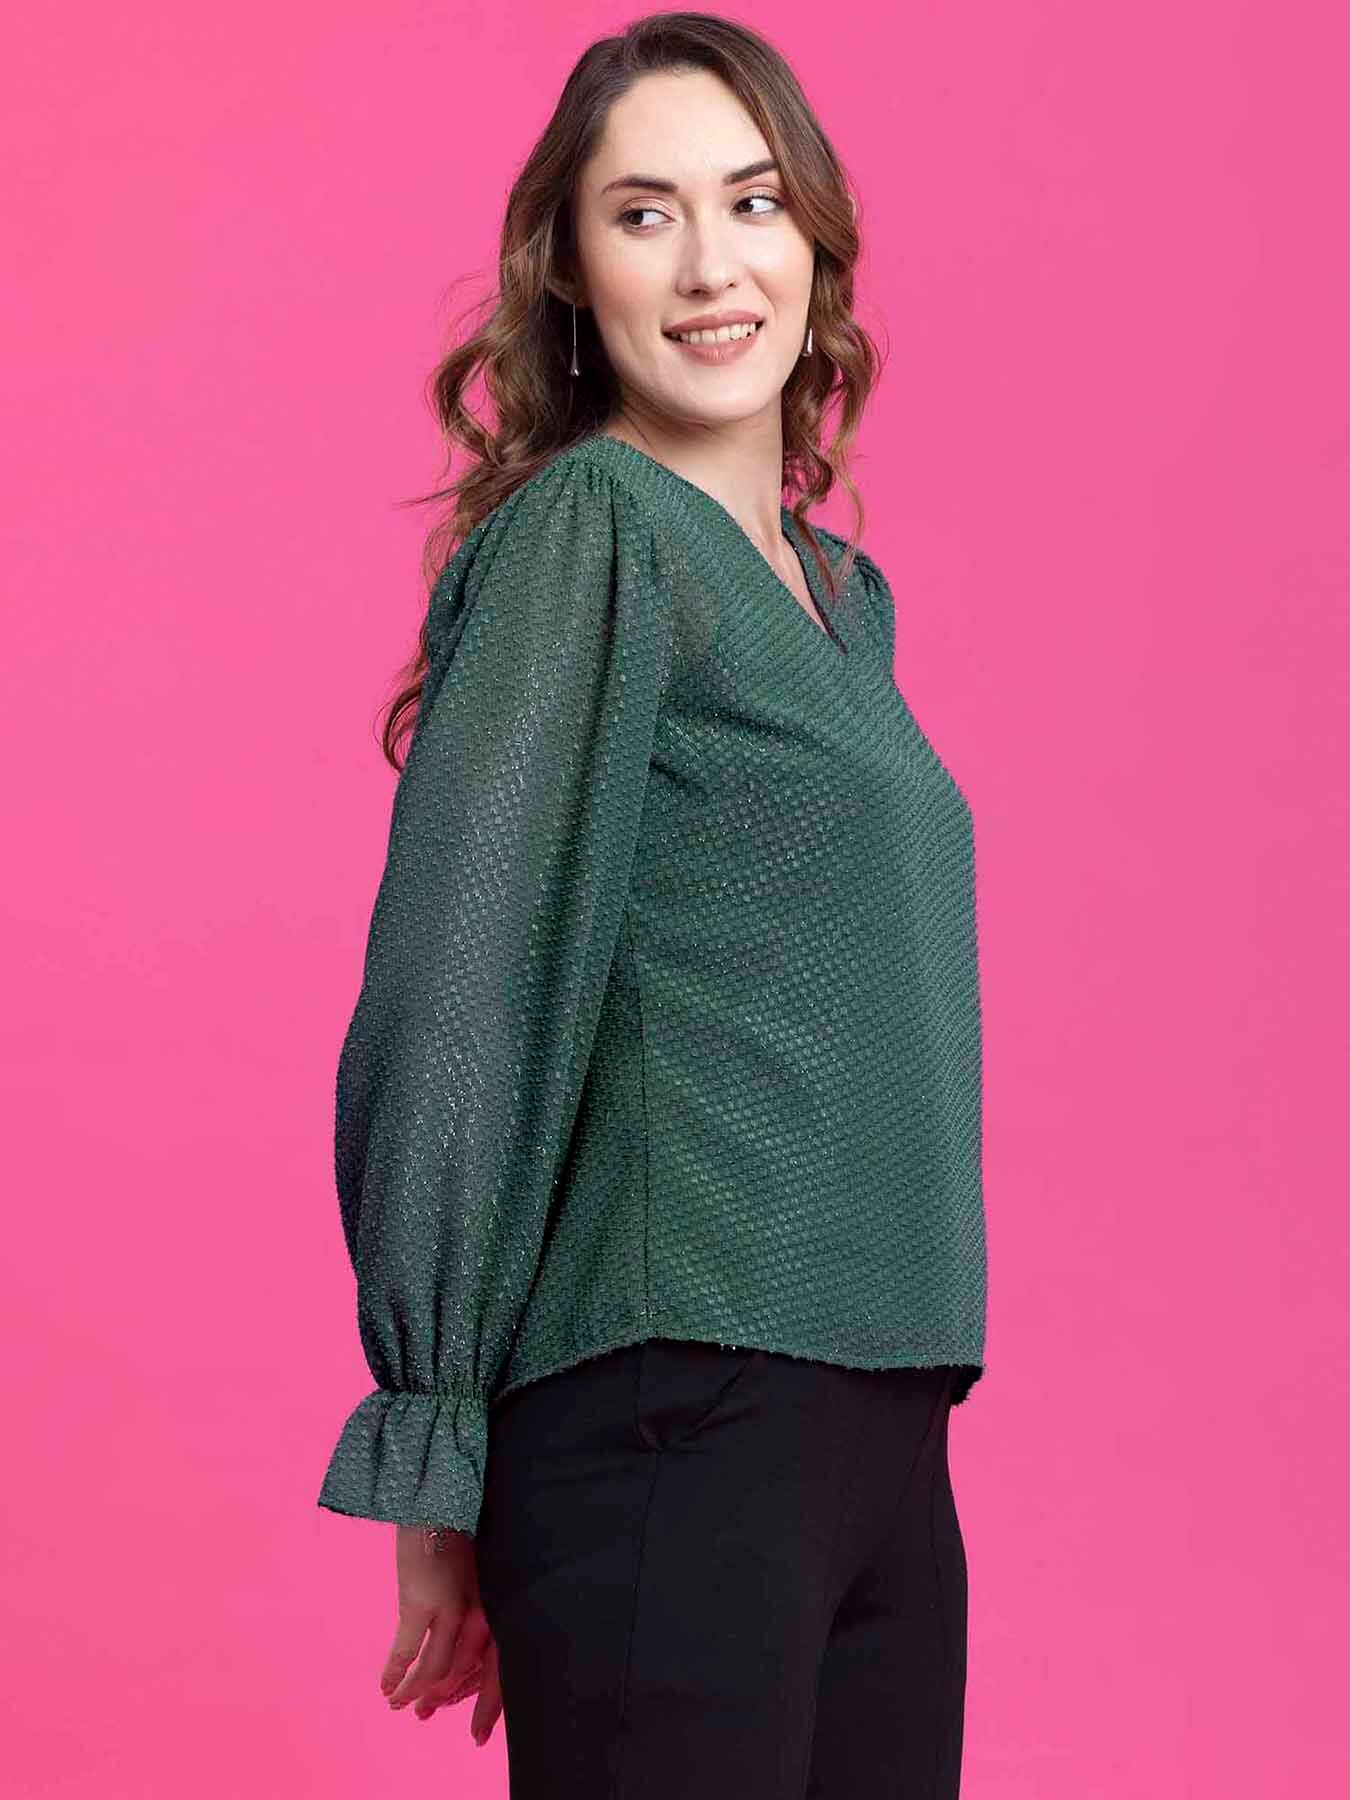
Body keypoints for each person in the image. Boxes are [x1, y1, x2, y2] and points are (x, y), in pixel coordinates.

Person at [317, 15, 987, 1797]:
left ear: (813, 238)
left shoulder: (839, 601)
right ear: (570, 270)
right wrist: (437, 1439)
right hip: (673, 1407)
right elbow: (463, 983)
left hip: (880, 1420)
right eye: (643, 213)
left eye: (751, 202)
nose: (709, 265)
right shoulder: (594, 531)